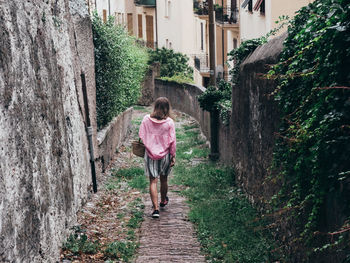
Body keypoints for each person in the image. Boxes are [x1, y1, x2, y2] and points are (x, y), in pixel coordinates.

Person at [139, 97, 176, 218]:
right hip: (165, 154)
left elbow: (141, 135)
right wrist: (173, 156)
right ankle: (163, 201)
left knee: (153, 181)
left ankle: (155, 210)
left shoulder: (146, 119)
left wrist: (150, 144)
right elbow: (172, 141)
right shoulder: (169, 122)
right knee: (164, 179)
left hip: (150, 154)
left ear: (155, 106)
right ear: (167, 108)